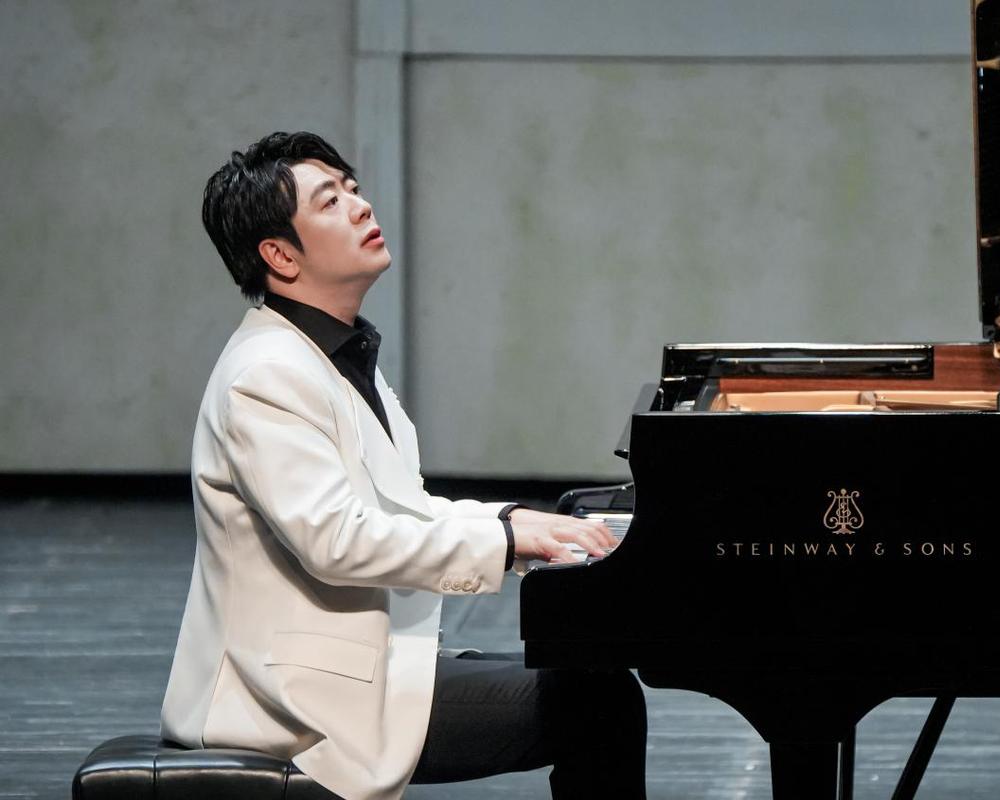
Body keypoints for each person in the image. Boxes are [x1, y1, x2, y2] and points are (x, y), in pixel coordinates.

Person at [159, 131, 647, 800]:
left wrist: (510, 519)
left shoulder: (324, 354)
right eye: (330, 201)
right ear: (280, 255)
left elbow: (395, 507)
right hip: (294, 697)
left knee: (593, 679)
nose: (360, 206)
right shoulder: (266, 373)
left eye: (353, 189)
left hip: (352, 665)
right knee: (597, 702)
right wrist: (505, 543)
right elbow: (336, 540)